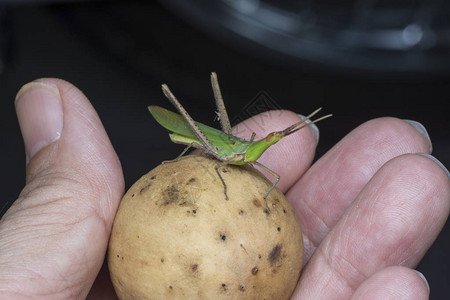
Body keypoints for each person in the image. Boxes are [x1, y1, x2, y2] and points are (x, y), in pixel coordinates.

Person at [0, 79, 448, 299]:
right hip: (203, 146)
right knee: (219, 148)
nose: (275, 141)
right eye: (277, 138)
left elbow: (269, 175)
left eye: (277, 139)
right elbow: (221, 171)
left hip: (232, 158)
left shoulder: (264, 165)